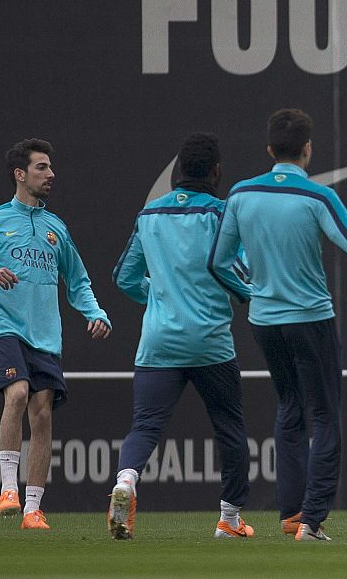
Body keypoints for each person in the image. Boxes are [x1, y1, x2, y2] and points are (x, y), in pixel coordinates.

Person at [209, 108, 347, 543]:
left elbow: (218, 263)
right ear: (308, 150)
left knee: (289, 409)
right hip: (311, 320)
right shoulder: (317, 197)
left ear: (270, 149)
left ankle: (292, 514)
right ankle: (311, 522)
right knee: (325, 416)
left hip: (265, 323)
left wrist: (251, 292)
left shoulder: (239, 194)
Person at [0, 138, 111, 530]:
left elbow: (79, 281)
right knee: (17, 393)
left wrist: (96, 312)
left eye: (50, 167)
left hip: (46, 335)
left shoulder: (57, 228)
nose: (50, 174)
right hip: (5, 327)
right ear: (21, 175)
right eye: (41, 167)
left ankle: (33, 509)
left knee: (42, 414)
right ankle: (8, 488)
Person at [108, 132, 257, 540]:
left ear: (176, 172)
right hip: (210, 342)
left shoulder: (150, 214)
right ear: (216, 171)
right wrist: (251, 299)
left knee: (145, 426)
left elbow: (124, 277)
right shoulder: (223, 213)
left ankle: (125, 483)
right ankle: (229, 520)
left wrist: (157, 297)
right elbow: (238, 273)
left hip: (158, 341)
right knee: (229, 427)